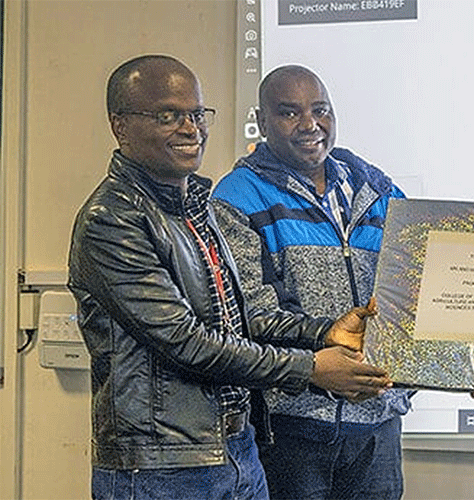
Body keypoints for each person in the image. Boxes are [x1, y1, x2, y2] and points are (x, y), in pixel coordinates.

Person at [68, 55, 392, 500]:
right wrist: (311, 368)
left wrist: (325, 332)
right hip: (163, 467)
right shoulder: (112, 220)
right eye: (168, 115)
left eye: (197, 114)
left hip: (236, 451)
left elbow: (242, 321)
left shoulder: (194, 206)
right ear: (120, 125)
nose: (190, 128)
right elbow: (185, 342)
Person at [212, 65, 410, 500]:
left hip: (378, 428)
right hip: (291, 430)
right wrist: (322, 370)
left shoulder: (381, 192)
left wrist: (469, 359)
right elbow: (250, 317)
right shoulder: (237, 197)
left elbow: (416, 301)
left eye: (320, 109)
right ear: (262, 123)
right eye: (289, 113)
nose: (309, 124)